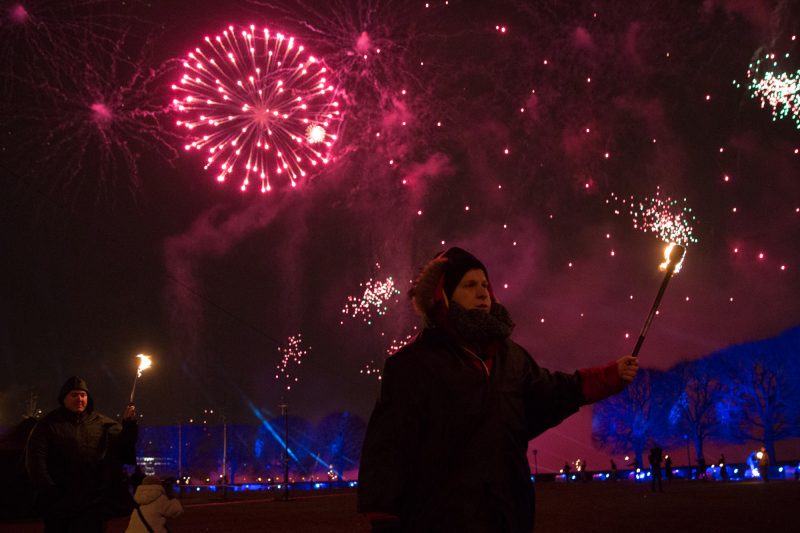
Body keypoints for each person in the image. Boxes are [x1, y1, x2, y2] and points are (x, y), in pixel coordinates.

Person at [357, 247, 639, 532]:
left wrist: (609, 377)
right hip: (439, 519)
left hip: (508, 516)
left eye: (484, 285)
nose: (482, 292)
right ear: (443, 295)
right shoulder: (411, 365)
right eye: (469, 285)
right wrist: (384, 518)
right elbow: (387, 446)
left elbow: (550, 393)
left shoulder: (511, 357)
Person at [25, 376, 138, 532]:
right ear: (64, 398)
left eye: (82, 395)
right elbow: (36, 460)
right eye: (74, 395)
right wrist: (49, 491)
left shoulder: (102, 423)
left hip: (92, 502)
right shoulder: (47, 424)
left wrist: (129, 424)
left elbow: (123, 446)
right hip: (60, 501)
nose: (79, 398)